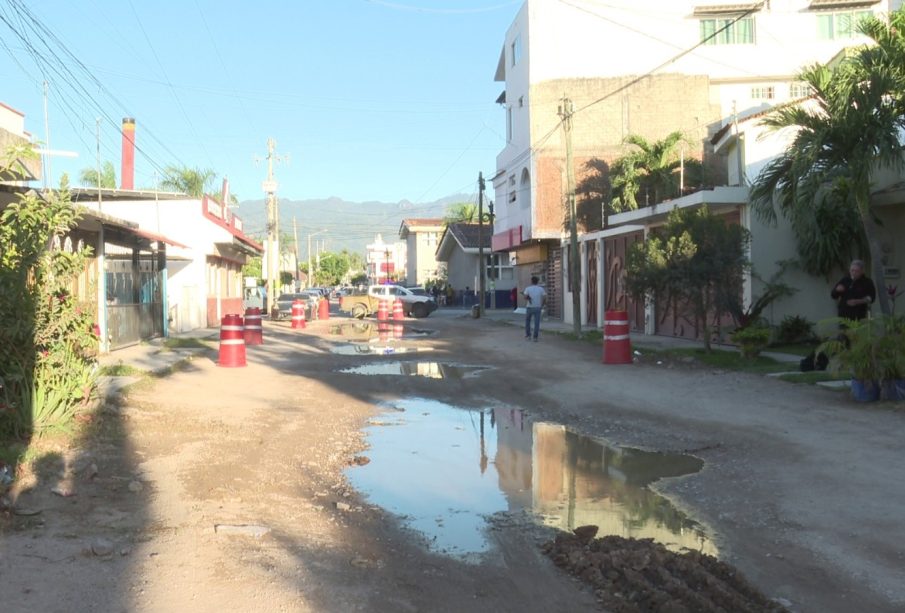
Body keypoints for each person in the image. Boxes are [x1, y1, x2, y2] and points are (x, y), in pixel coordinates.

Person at [523, 276, 546, 341]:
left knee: (527, 321)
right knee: (537, 323)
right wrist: (542, 304)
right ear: (537, 281)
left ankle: (528, 335)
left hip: (529, 307)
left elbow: (525, 297)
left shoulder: (528, 288)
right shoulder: (541, 289)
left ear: (531, 281)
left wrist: (528, 298)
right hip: (538, 307)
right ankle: (535, 337)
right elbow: (544, 297)